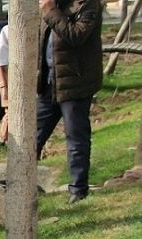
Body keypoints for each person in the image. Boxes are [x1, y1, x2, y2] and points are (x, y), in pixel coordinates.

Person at [36, 0, 103, 204]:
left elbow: (76, 35)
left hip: (76, 83)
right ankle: (22, 181)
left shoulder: (88, 5)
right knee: (32, 135)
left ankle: (78, 190)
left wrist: (50, 11)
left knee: (76, 138)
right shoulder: (55, 5)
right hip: (50, 83)